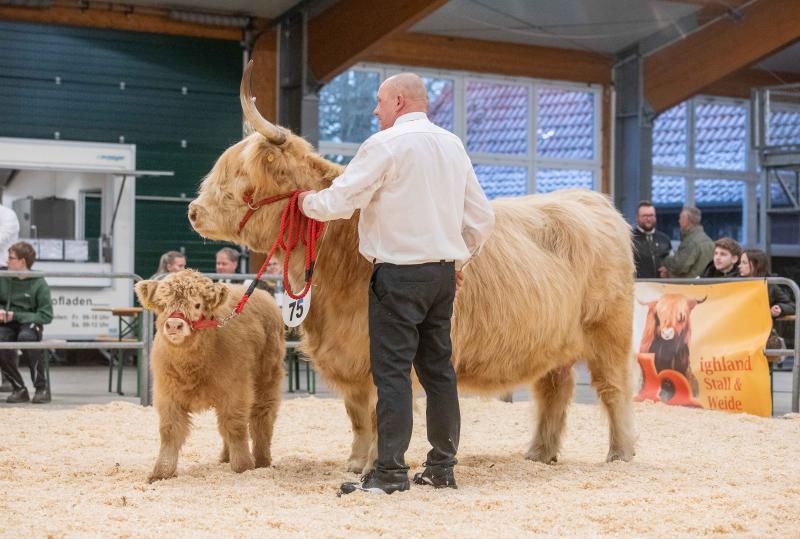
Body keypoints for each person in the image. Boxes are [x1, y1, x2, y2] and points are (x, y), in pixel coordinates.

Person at [299, 72, 495, 494]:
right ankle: (441, 468)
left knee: (391, 374)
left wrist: (306, 202)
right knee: (438, 372)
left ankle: (389, 472)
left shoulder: (384, 144)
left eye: (380, 101)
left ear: (400, 101)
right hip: (442, 275)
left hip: (398, 275)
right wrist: (458, 259)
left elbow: (340, 201)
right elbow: (482, 218)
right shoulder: (452, 145)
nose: (375, 110)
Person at [0, 242, 54, 403]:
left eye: (11, 258)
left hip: (29, 322)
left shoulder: (39, 283)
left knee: (27, 338)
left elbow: (46, 315)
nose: (7, 261)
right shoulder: (3, 278)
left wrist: (15, 315)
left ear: (22, 262)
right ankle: (19, 388)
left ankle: (41, 388)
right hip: (7, 322)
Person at [659, 206, 714, 278]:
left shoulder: (691, 242)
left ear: (686, 220)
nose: (679, 221)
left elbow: (679, 266)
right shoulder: (708, 240)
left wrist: (665, 259)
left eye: (680, 218)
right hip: (706, 283)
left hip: (691, 284)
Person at [739, 249, 795, 318]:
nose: (739, 266)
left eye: (744, 263)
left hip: (760, 323)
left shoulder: (770, 285)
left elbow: (792, 306)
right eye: (740, 262)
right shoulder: (735, 282)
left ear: (757, 265)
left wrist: (780, 308)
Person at [0, 204, 20, 392]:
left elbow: (2, 238)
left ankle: (9, 379)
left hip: (4, 272)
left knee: (5, 323)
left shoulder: (8, 215)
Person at [632, 201, 672, 279]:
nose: (648, 219)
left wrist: (668, 271)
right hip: (639, 284)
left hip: (661, 284)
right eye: (645, 216)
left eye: (651, 215)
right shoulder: (630, 239)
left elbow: (672, 263)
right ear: (637, 217)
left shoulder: (665, 239)